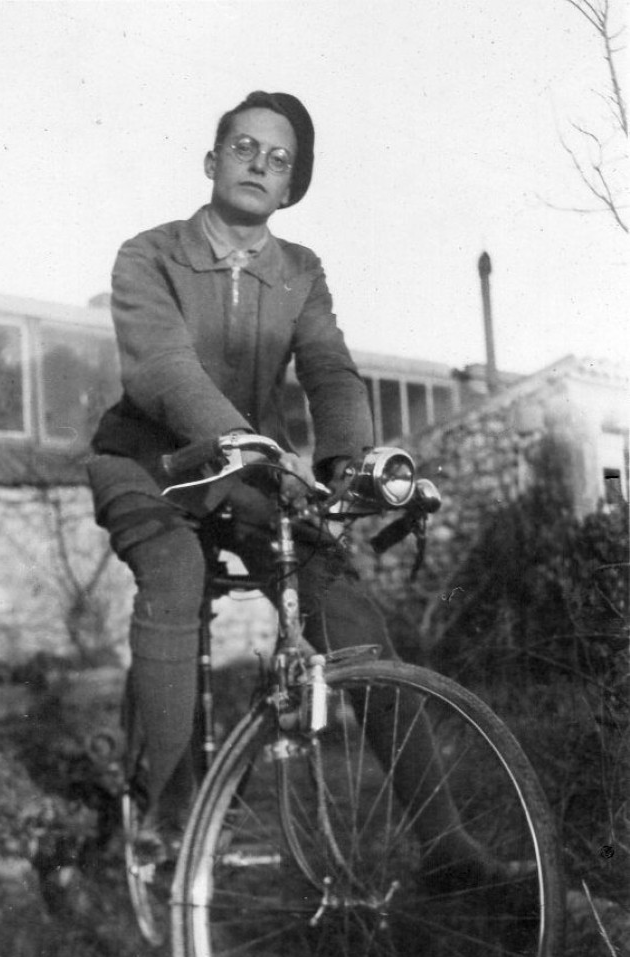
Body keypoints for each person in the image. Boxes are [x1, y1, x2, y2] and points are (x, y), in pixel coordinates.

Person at [86, 90, 500, 885]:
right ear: (212, 162)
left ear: (291, 187)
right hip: (149, 464)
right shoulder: (148, 254)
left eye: (279, 159)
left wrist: (349, 463)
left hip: (252, 470)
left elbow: (329, 370)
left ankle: (447, 845)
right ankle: (170, 823)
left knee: (341, 601)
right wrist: (242, 436)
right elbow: (162, 367)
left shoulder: (300, 273)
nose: (259, 165)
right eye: (243, 147)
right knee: (174, 575)